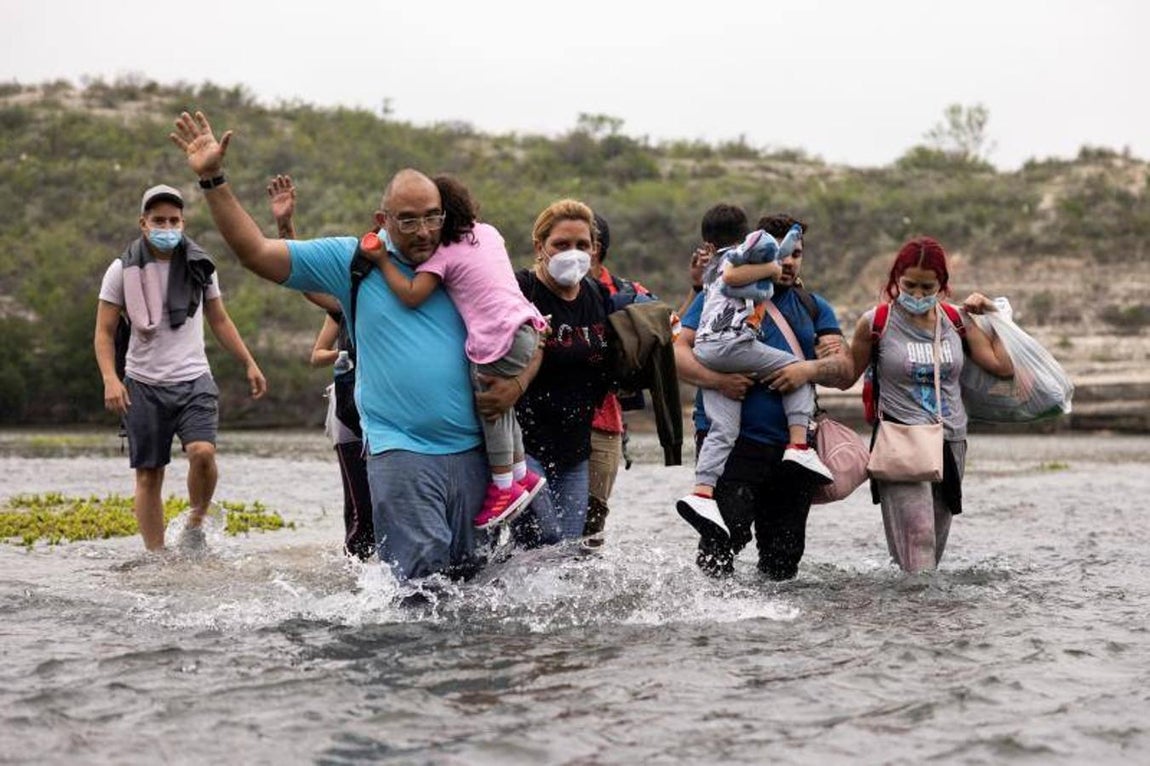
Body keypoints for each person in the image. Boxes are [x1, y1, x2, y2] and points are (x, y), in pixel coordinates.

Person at [169, 110, 510, 582]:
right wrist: (213, 180)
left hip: (476, 453)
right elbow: (256, 252)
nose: (424, 232)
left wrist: (518, 386)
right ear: (382, 220)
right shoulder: (355, 261)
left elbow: (526, 330)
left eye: (433, 218)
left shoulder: (469, 262)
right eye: (407, 221)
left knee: (477, 584)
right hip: (401, 451)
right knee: (418, 588)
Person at [675, 211, 854, 580]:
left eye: (796, 254)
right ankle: (710, 633)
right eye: (781, 254)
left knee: (783, 559)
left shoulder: (813, 306)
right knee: (721, 547)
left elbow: (843, 370)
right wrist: (716, 380)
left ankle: (776, 637)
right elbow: (676, 352)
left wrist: (807, 370)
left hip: (791, 455)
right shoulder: (720, 292)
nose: (788, 262)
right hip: (733, 446)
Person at [93, 183, 267, 553]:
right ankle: (156, 556)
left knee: (203, 453)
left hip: (193, 379)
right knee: (149, 474)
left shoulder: (201, 265)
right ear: (143, 223)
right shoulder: (120, 269)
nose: (167, 227)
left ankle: (195, 523)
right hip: (142, 383)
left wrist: (248, 361)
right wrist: (110, 378)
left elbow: (219, 319)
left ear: (183, 223)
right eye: (159, 220)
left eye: (174, 220)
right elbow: (104, 332)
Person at [372, 175, 549, 530]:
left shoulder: (444, 256)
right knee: (506, 404)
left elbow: (410, 294)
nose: (426, 230)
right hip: (527, 328)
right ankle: (521, 475)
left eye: (432, 218)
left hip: (499, 338)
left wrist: (381, 260)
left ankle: (503, 487)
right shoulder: (489, 233)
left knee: (492, 409)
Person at [847, 236, 1013, 573]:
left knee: (929, 549)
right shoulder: (875, 322)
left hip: (950, 442)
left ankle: (918, 618)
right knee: (919, 538)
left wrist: (996, 316)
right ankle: (920, 619)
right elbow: (847, 373)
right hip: (901, 440)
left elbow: (1003, 367)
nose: (918, 295)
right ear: (895, 279)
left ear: (942, 285)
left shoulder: (957, 322)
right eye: (910, 285)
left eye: (928, 287)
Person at [267, 174, 375, 560]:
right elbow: (303, 280)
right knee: (361, 511)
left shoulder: (402, 295)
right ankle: (357, 572)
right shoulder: (344, 299)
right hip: (347, 406)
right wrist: (285, 227)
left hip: (386, 409)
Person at [506, 199, 613, 546]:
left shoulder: (596, 294)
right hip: (523, 445)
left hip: (575, 449)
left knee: (566, 555)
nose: (573, 253)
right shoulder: (520, 290)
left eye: (582, 245)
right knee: (544, 538)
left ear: (595, 249)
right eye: (561, 244)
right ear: (540, 247)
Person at [584, 211, 654, 546]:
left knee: (592, 520)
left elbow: (667, 331)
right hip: (544, 420)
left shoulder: (627, 293)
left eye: (580, 242)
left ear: (595, 247)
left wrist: (698, 288)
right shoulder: (538, 288)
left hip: (605, 421)